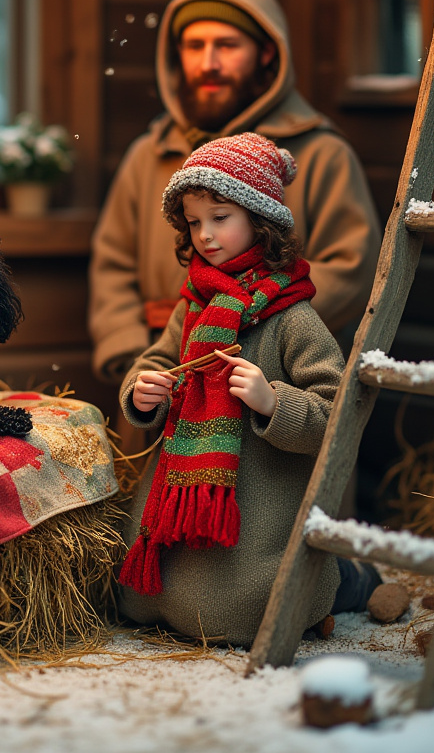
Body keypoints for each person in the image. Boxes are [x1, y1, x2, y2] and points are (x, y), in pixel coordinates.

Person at [116, 133, 380, 647]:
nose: (205, 236)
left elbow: (336, 412)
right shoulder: (194, 303)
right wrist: (143, 389)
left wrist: (272, 401)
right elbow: (160, 359)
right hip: (183, 499)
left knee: (241, 611)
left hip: (256, 514)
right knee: (137, 596)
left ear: (261, 221)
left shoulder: (292, 317)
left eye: (220, 218)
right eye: (194, 222)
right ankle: (171, 593)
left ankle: (351, 582)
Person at [89, 0, 381, 400]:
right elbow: (111, 268)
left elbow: (352, 269)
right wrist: (145, 364)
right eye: (194, 46)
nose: (208, 62)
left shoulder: (322, 154)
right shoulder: (148, 154)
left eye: (226, 45)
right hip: (168, 383)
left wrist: (250, 329)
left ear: (266, 53)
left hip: (268, 387)